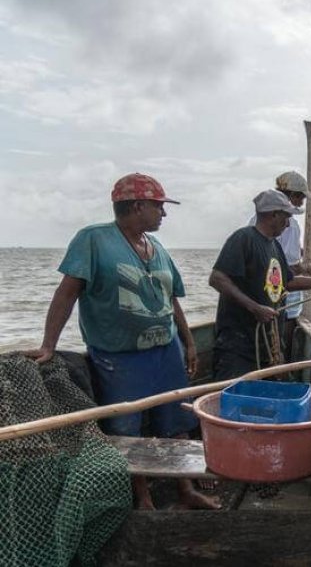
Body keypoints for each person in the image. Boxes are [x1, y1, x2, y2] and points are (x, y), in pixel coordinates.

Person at [26, 173, 220, 511]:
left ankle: (185, 490)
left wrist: (188, 342)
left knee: (176, 423)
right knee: (126, 428)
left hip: (166, 349)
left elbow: (170, 299)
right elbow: (66, 293)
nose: (164, 214)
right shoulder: (93, 240)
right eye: (159, 206)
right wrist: (48, 345)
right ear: (137, 205)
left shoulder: (156, 246)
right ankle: (142, 498)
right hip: (121, 357)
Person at [210, 189, 311, 380]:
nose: (287, 224)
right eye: (286, 217)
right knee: (235, 398)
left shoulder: (274, 246)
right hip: (239, 345)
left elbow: (289, 282)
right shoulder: (243, 239)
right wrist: (254, 308)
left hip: (267, 343)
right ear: (273, 214)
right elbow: (217, 279)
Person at [247, 171, 311, 353]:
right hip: (275, 299)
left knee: (282, 341)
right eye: (300, 198)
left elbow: (283, 254)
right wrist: (302, 269)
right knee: (275, 345)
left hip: (287, 301)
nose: (302, 203)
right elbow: (270, 268)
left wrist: (301, 255)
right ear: (292, 196)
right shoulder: (270, 225)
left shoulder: (291, 224)